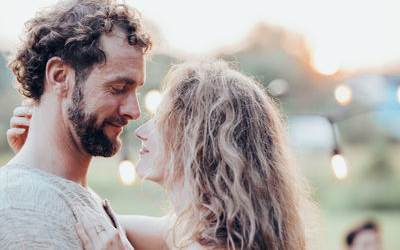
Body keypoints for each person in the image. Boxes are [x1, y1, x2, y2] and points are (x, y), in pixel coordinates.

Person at [9, 60, 316, 249]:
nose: (142, 130)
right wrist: (41, 156)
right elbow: (89, 218)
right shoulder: (202, 233)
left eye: (160, 121)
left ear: (197, 141)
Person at [1, 0, 151, 249]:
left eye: (135, 89)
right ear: (60, 76)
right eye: (118, 88)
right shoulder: (25, 210)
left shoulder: (72, 198)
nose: (134, 111)